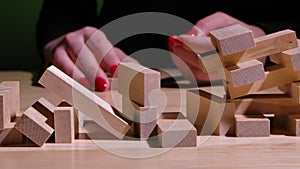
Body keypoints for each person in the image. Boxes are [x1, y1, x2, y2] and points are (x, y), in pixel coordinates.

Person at [36, 0, 300, 91]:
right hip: (114, 77)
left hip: (261, 82)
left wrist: (267, 39)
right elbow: (64, 10)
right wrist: (63, 38)